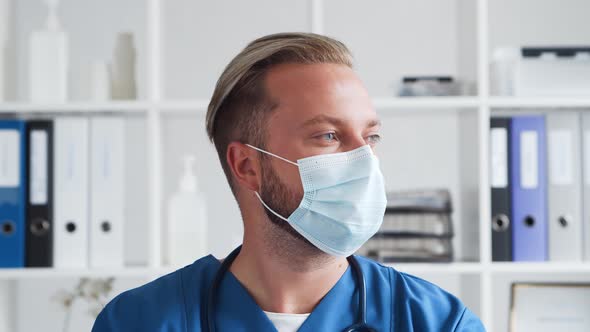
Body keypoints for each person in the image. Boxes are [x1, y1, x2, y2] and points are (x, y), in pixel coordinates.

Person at [92, 32, 485, 332]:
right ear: (247, 165)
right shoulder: (139, 321)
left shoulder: (436, 321)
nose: (363, 159)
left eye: (370, 137)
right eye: (328, 136)